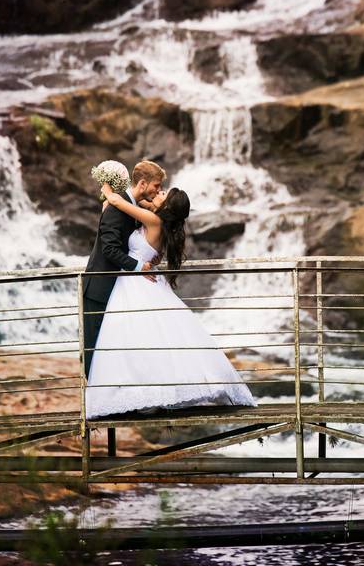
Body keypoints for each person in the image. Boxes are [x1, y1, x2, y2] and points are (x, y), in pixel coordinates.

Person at [85, 182, 257, 419]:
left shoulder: (154, 221)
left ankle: (144, 392)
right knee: (142, 338)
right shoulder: (158, 220)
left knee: (133, 337)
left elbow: (117, 202)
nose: (159, 193)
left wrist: (107, 184)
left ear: (166, 207)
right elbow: (138, 202)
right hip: (136, 279)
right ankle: (143, 391)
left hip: (135, 282)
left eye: (163, 194)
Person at [81, 160, 165, 377]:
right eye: (156, 185)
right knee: (93, 347)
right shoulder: (115, 209)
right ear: (143, 183)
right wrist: (140, 266)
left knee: (110, 348)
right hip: (99, 287)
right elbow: (109, 249)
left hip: (118, 288)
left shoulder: (129, 206)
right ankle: (91, 402)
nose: (158, 190)